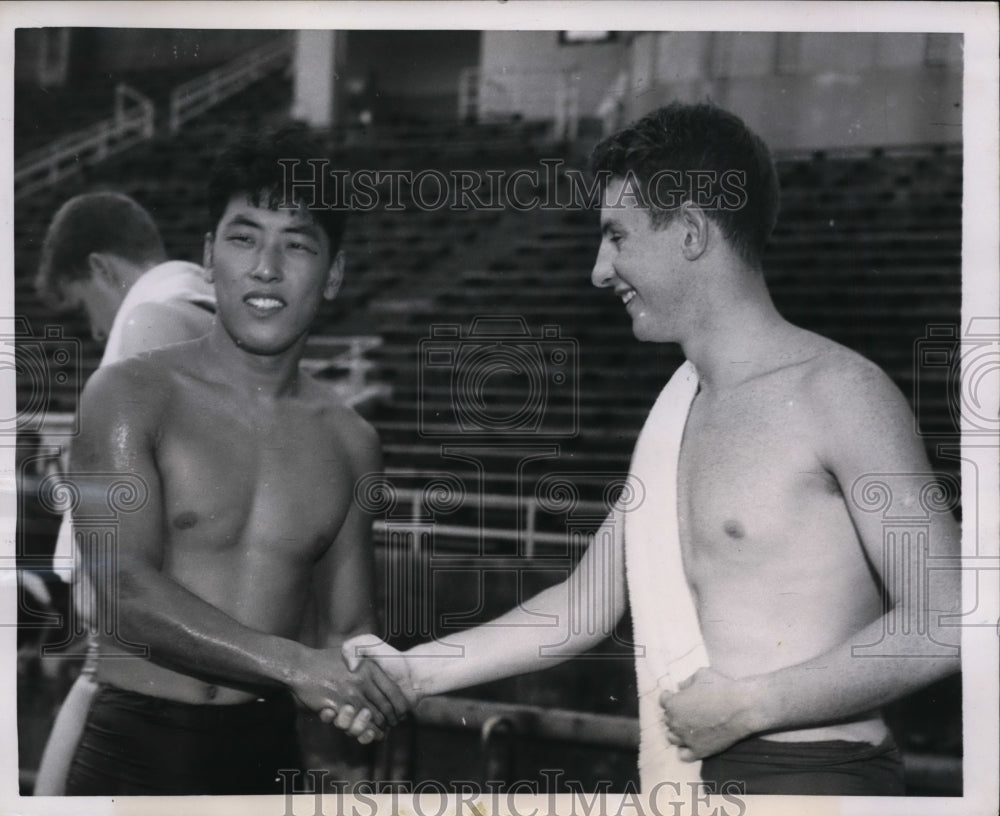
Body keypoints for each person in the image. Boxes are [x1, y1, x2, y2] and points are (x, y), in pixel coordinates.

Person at [346, 102, 961, 795]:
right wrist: (416, 671)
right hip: (698, 774)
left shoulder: (843, 392)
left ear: (692, 232)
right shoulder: (681, 407)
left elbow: (947, 619)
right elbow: (583, 606)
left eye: (617, 236)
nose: (599, 270)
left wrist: (755, 704)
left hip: (818, 779)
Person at [52, 127, 407, 796]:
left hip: (268, 762)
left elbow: (346, 628)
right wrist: (298, 665)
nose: (266, 267)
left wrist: (365, 693)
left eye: (297, 243)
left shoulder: (351, 440)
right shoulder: (128, 395)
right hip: (134, 753)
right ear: (210, 255)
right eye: (244, 238)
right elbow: (121, 593)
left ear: (333, 273)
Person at [31, 192, 217, 794]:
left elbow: (114, 523)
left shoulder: (152, 319)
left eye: (85, 305)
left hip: (143, 643)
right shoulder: (216, 314)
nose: (94, 329)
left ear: (104, 269)